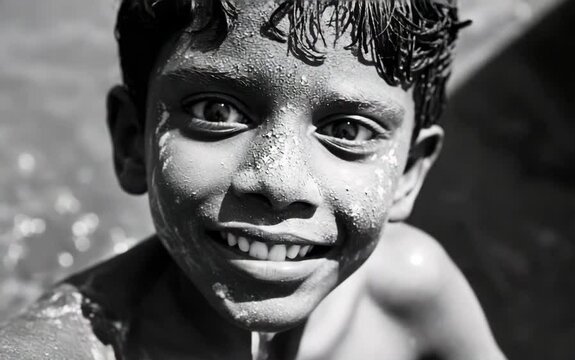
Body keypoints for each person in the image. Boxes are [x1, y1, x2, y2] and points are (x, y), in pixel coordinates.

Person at [0, 1, 506, 359]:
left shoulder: (410, 290)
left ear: (409, 174)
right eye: (215, 110)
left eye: (347, 130)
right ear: (133, 140)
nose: (279, 181)